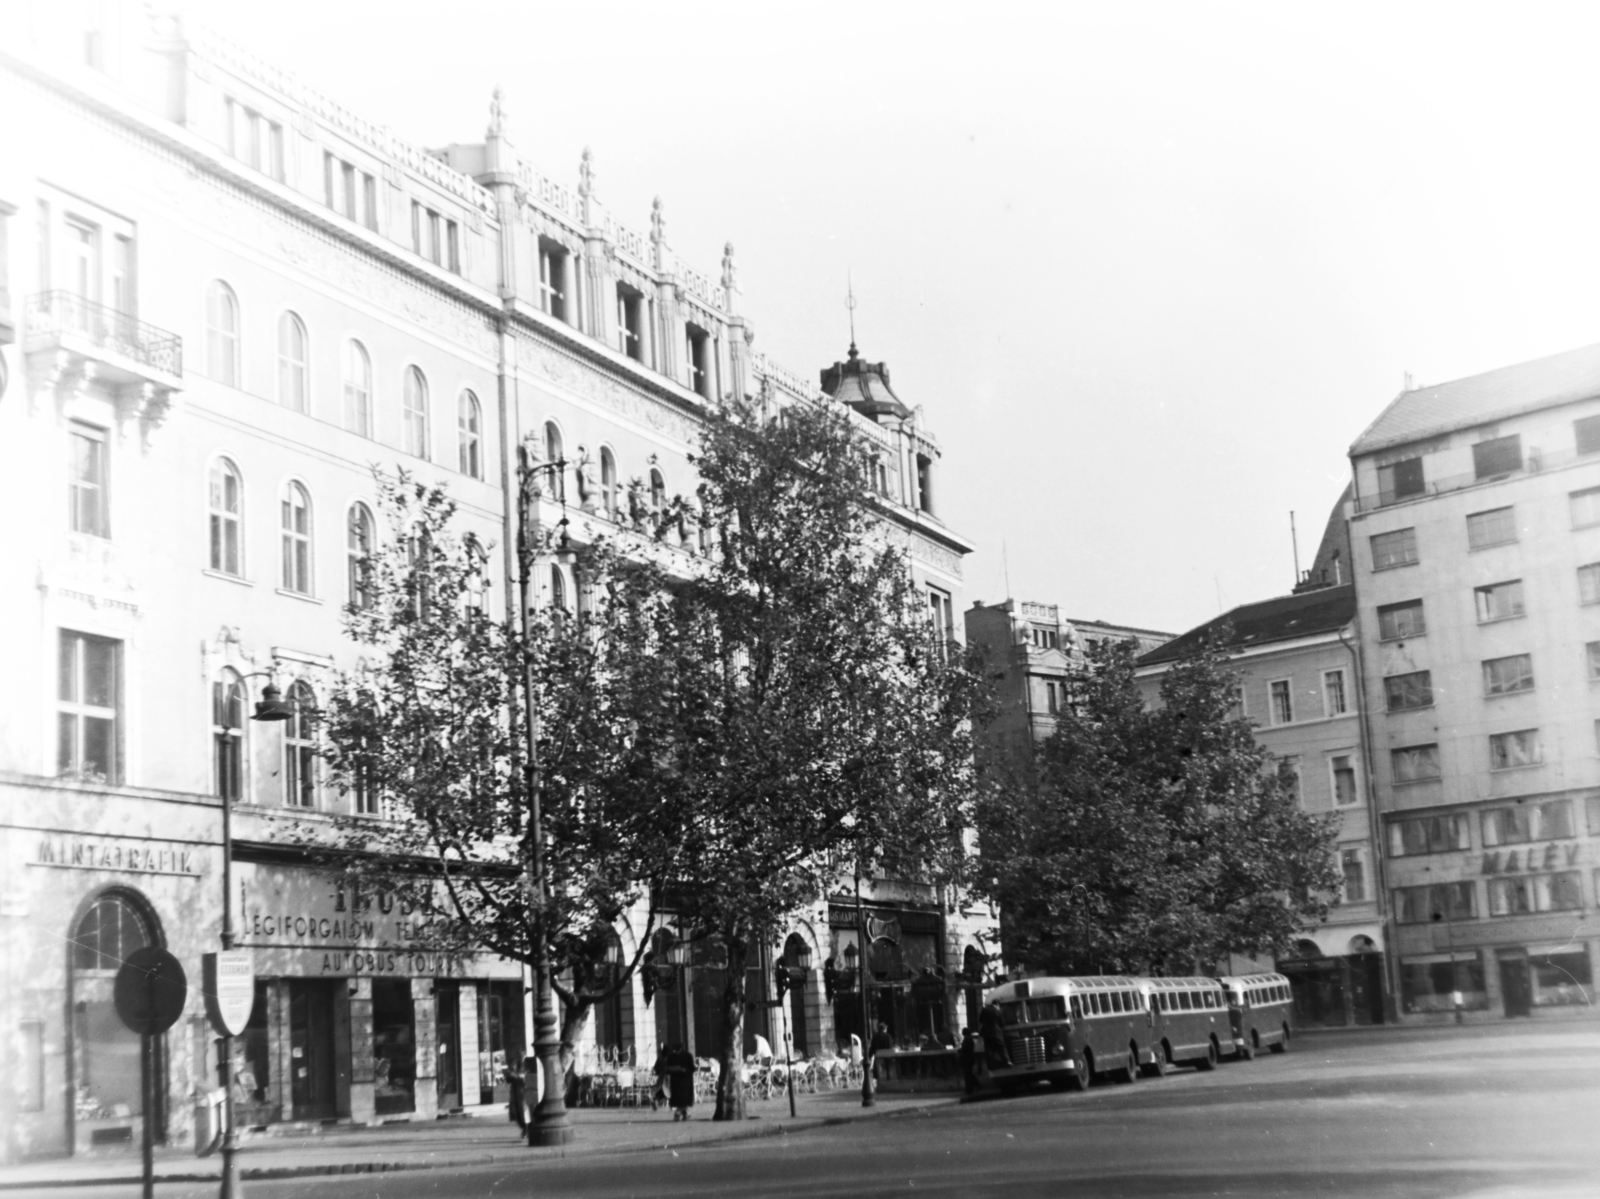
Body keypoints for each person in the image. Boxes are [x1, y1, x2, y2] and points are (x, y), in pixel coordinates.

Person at [666, 1043, 696, 1121]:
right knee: (681, 1099)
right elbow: (667, 1068)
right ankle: (685, 1113)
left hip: (685, 1080)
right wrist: (672, 1069)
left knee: (682, 1099)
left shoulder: (687, 1056)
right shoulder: (671, 1056)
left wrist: (684, 1070)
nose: (675, 1052)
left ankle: (678, 1112)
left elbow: (692, 1068)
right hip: (676, 1080)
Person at [979, 1001, 1012, 1068]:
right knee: (1001, 1046)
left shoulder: (984, 1010)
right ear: (997, 1004)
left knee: (988, 1049)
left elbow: (980, 1020)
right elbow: (1001, 1024)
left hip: (985, 1033)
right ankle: (1007, 1061)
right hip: (995, 1033)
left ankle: (991, 1064)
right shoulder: (998, 1012)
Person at [958, 1027, 980, 1096]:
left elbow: (964, 1048)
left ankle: (970, 1089)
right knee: (969, 1074)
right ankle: (976, 1085)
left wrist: (959, 1051)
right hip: (970, 1059)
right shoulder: (970, 1038)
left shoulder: (967, 1039)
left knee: (967, 1075)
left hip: (967, 1059)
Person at [650, 1045, 670, 1112]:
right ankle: (671, 1104)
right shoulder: (670, 1058)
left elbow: (655, 1067)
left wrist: (658, 1072)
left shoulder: (660, 1058)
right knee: (669, 1090)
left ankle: (654, 1100)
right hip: (668, 1076)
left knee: (660, 1090)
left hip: (661, 1076)